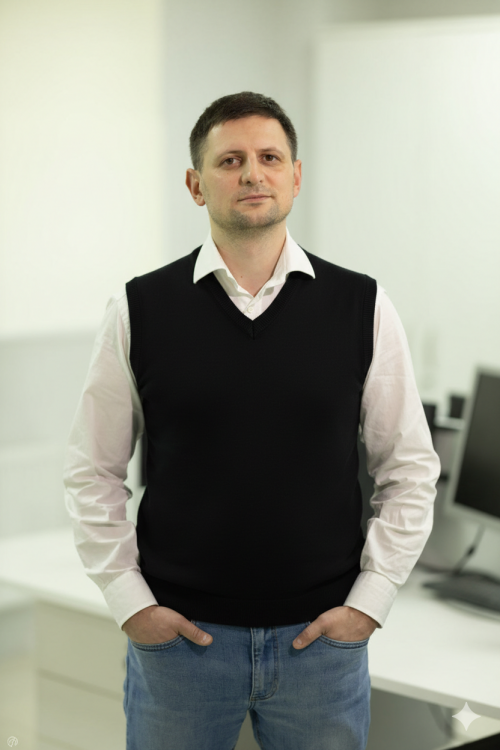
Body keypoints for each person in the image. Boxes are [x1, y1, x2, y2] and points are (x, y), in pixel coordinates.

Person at [63, 91, 441, 750]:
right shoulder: (137, 309)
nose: (252, 174)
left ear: (296, 175)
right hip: (179, 646)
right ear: (196, 184)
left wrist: (369, 602)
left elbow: (408, 468)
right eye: (230, 160)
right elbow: (92, 471)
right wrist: (131, 603)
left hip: (320, 647)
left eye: (269, 157)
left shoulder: (363, 305)